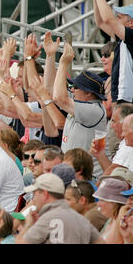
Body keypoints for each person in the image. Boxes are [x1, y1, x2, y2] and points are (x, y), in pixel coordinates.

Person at [53, 41, 107, 180]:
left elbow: (59, 97)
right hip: (73, 174)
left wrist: (64, 63)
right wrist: (49, 56)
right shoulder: (81, 102)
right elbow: (51, 91)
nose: (72, 89)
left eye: (76, 87)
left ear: (88, 93)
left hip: (86, 178)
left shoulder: (95, 110)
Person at [15, 173, 104, 244]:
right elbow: (101, 242)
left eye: (35, 193)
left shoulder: (48, 217)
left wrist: (28, 225)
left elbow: (20, 243)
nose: (33, 199)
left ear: (45, 194)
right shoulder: (81, 219)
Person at [93, 0, 133, 105]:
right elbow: (100, 21)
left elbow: (108, 19)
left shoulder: (131, 36)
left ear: (130, 23)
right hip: (122, 99)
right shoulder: (123, 39)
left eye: (120, 17)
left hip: (128, 100)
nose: (116, 19)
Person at [93, 177, 130, 243]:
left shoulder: (124, 223)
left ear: (115, 202)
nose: (98, 204)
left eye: (102, 200)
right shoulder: (111, 219)